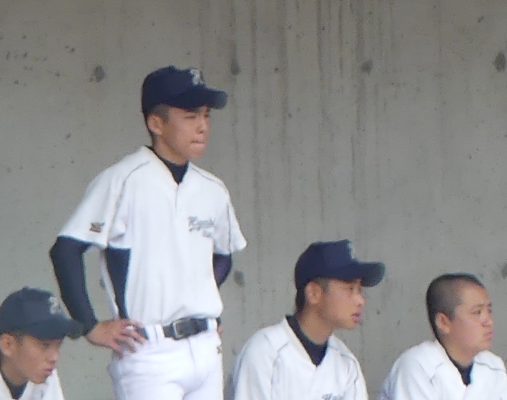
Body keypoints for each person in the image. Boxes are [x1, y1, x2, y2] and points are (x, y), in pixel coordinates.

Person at [49, 65, 247, 400]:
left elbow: (223, 256)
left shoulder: (213, 189)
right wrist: (89, 325)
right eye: (190, 116)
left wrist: (194, 301)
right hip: (149, 349)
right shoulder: (124, 179)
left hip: (205, 345)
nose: (202, 126)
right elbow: (66, 249)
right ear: (156, 123)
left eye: (206, 115)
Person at [227, 239, 385, 400]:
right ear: (314, 293)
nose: (360, 300)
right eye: (350, 289)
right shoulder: (265, 351)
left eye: (359, 290)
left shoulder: (347, 364)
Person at [378, 273, 507, 400]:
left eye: (489, 311)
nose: (489, 321)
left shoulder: (493, 365)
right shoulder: (418, 365)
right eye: (477, 312)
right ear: (444, 322)